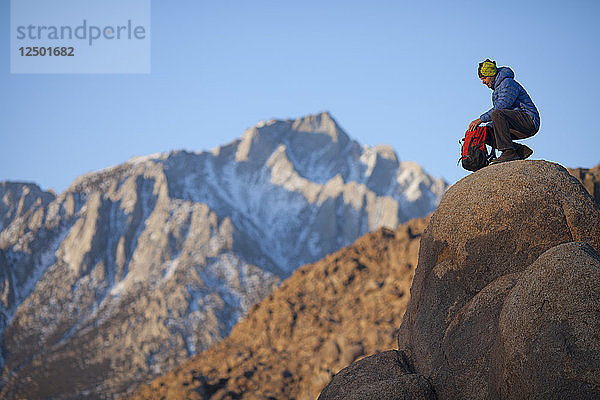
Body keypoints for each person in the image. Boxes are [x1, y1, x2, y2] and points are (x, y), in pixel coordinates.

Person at [468, 59, 540, 164]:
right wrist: (487, 127)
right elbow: (500, 118)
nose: (483, 81)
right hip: (515, 123)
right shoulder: (497, 90)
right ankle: (519, 151)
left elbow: (501, 107)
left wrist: (480, 120)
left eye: (484, 78)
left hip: (528, 121)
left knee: (497, 113)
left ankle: (509, 152)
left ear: (491, 74)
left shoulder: (508, 83)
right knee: (487, 132)